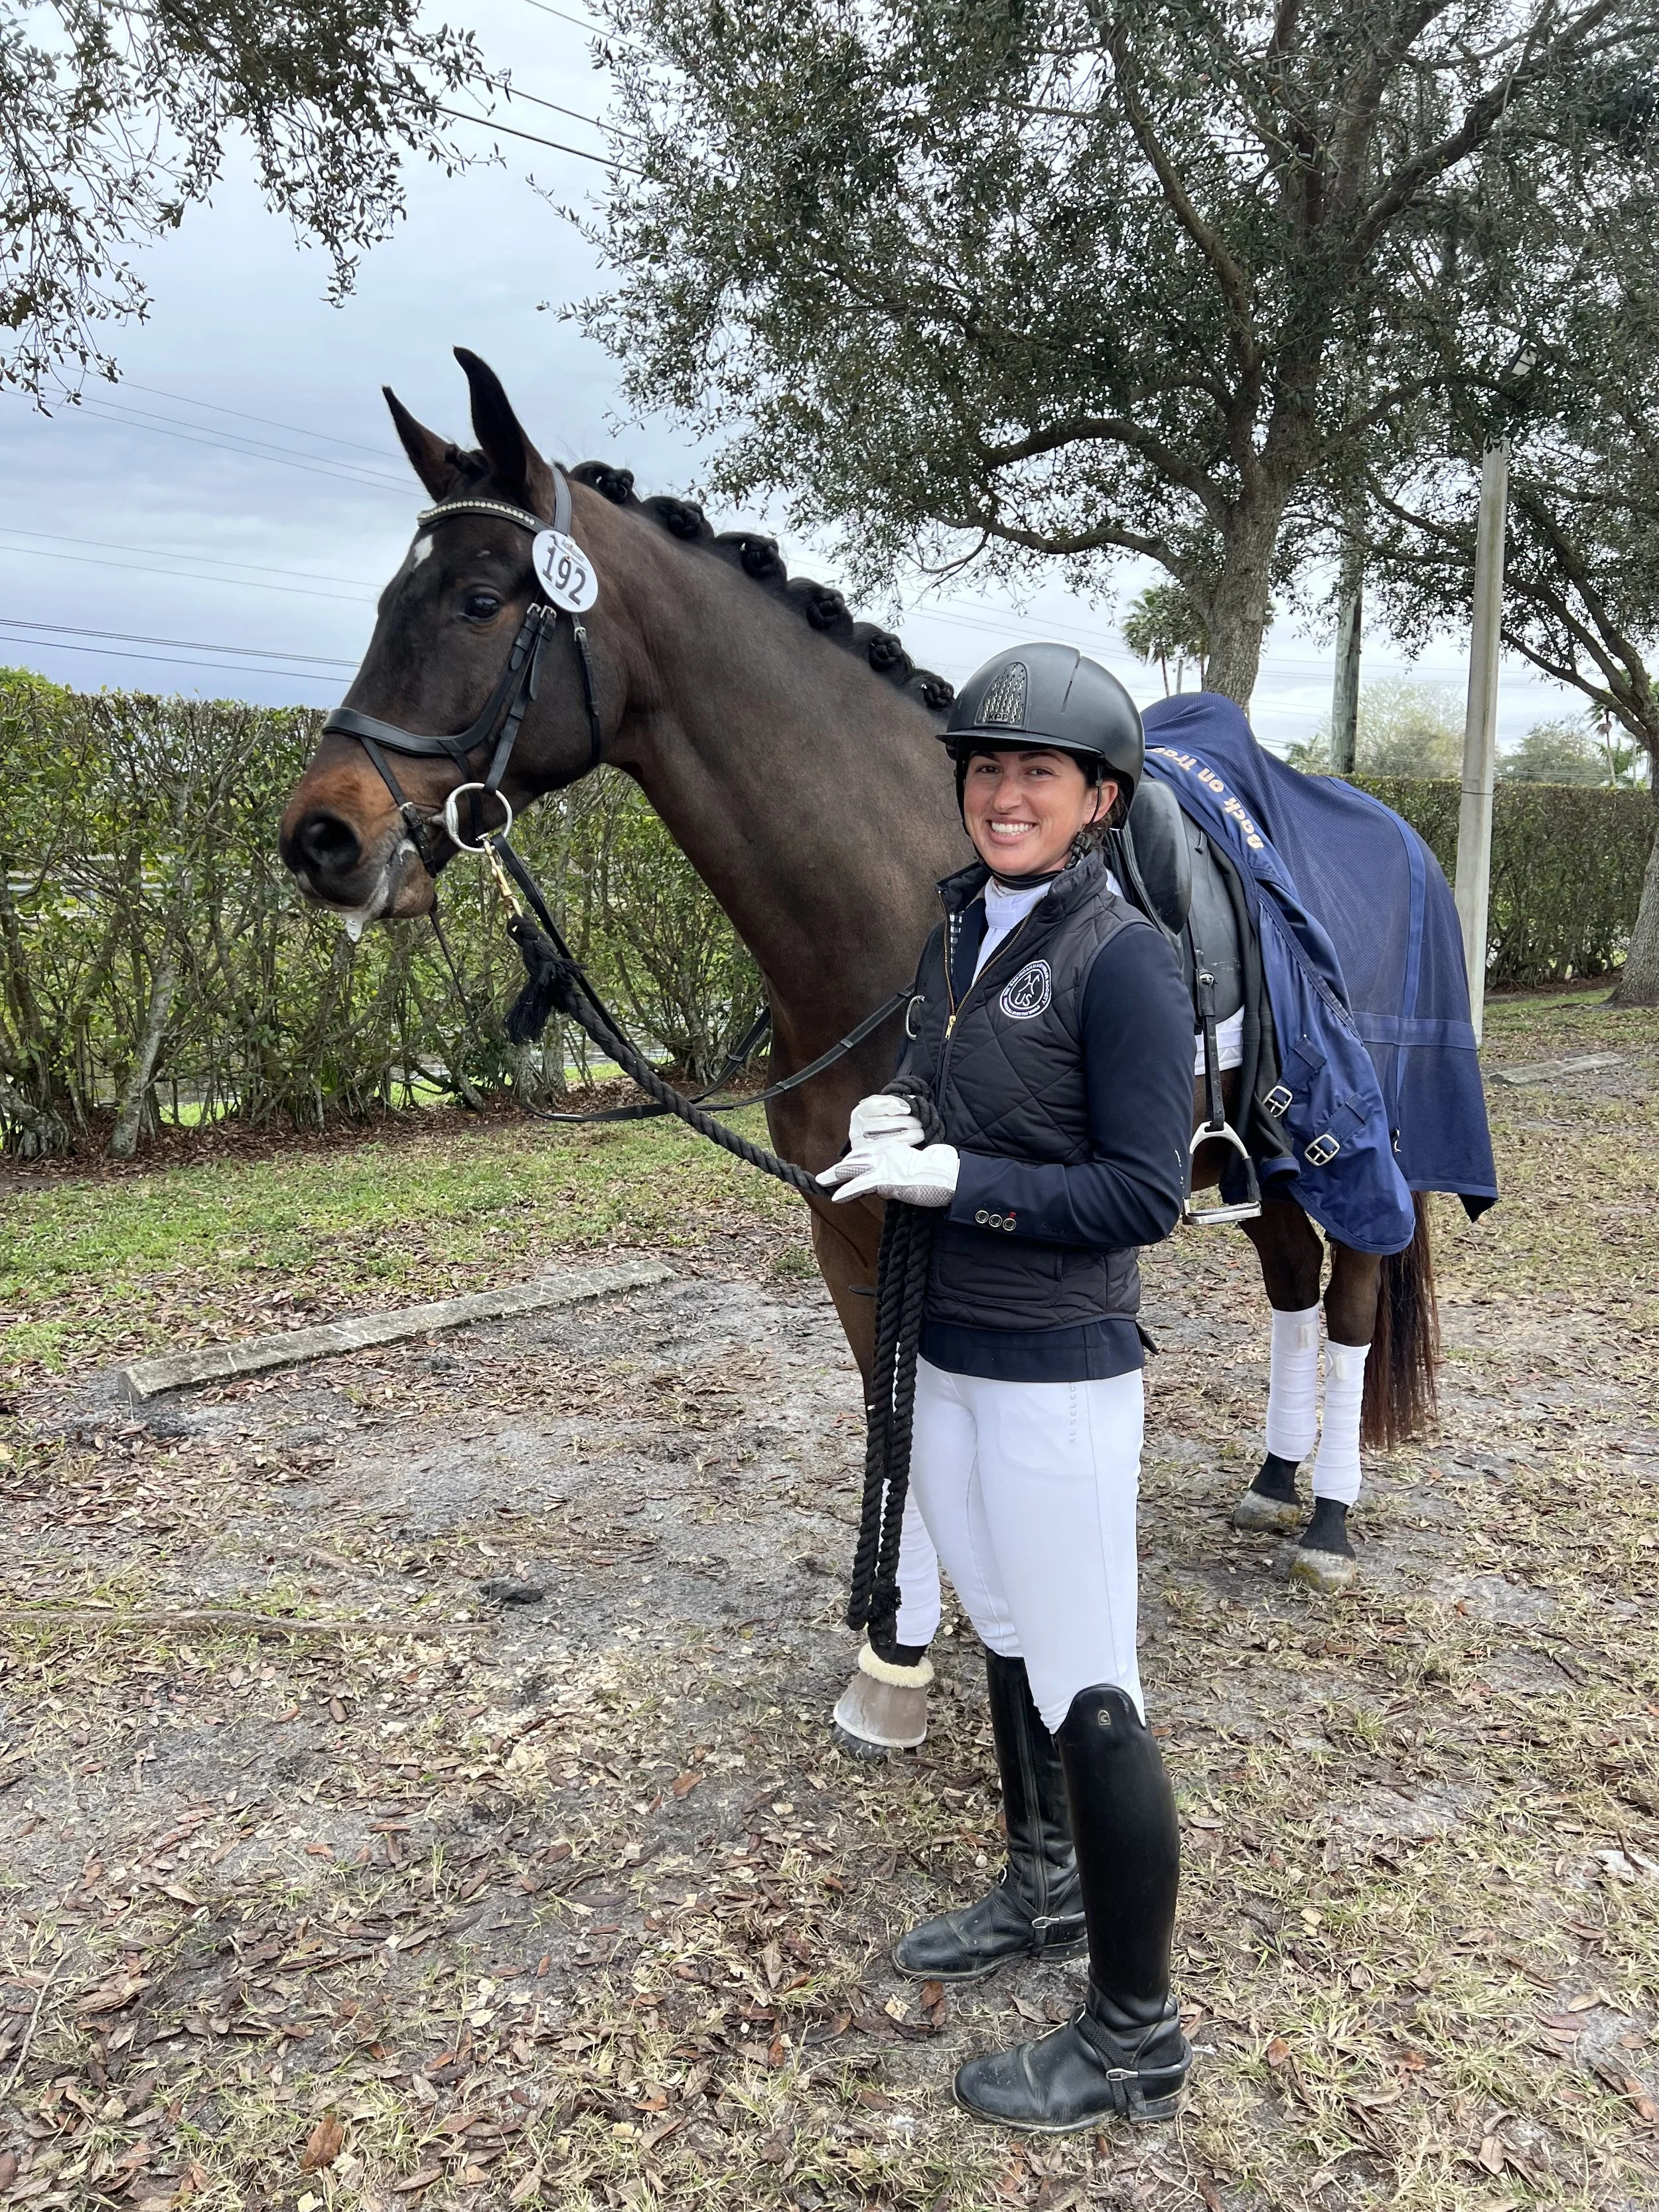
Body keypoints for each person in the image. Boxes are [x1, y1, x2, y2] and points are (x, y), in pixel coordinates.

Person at [818, 644, 1196, 2131]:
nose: (1004, 792)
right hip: (951, 1358)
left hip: (1055, 1375)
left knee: (1092, 1686)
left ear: (1096, 798)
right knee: (1009, 1639)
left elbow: (1140, 1192)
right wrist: (896, 1111)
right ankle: (1042, 1888)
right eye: (984, 768)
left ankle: (1132, 2031)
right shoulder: (960, 932)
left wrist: (956, 1177)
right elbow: (954, 1093)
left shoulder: (1127, 962)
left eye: (1036, 771)